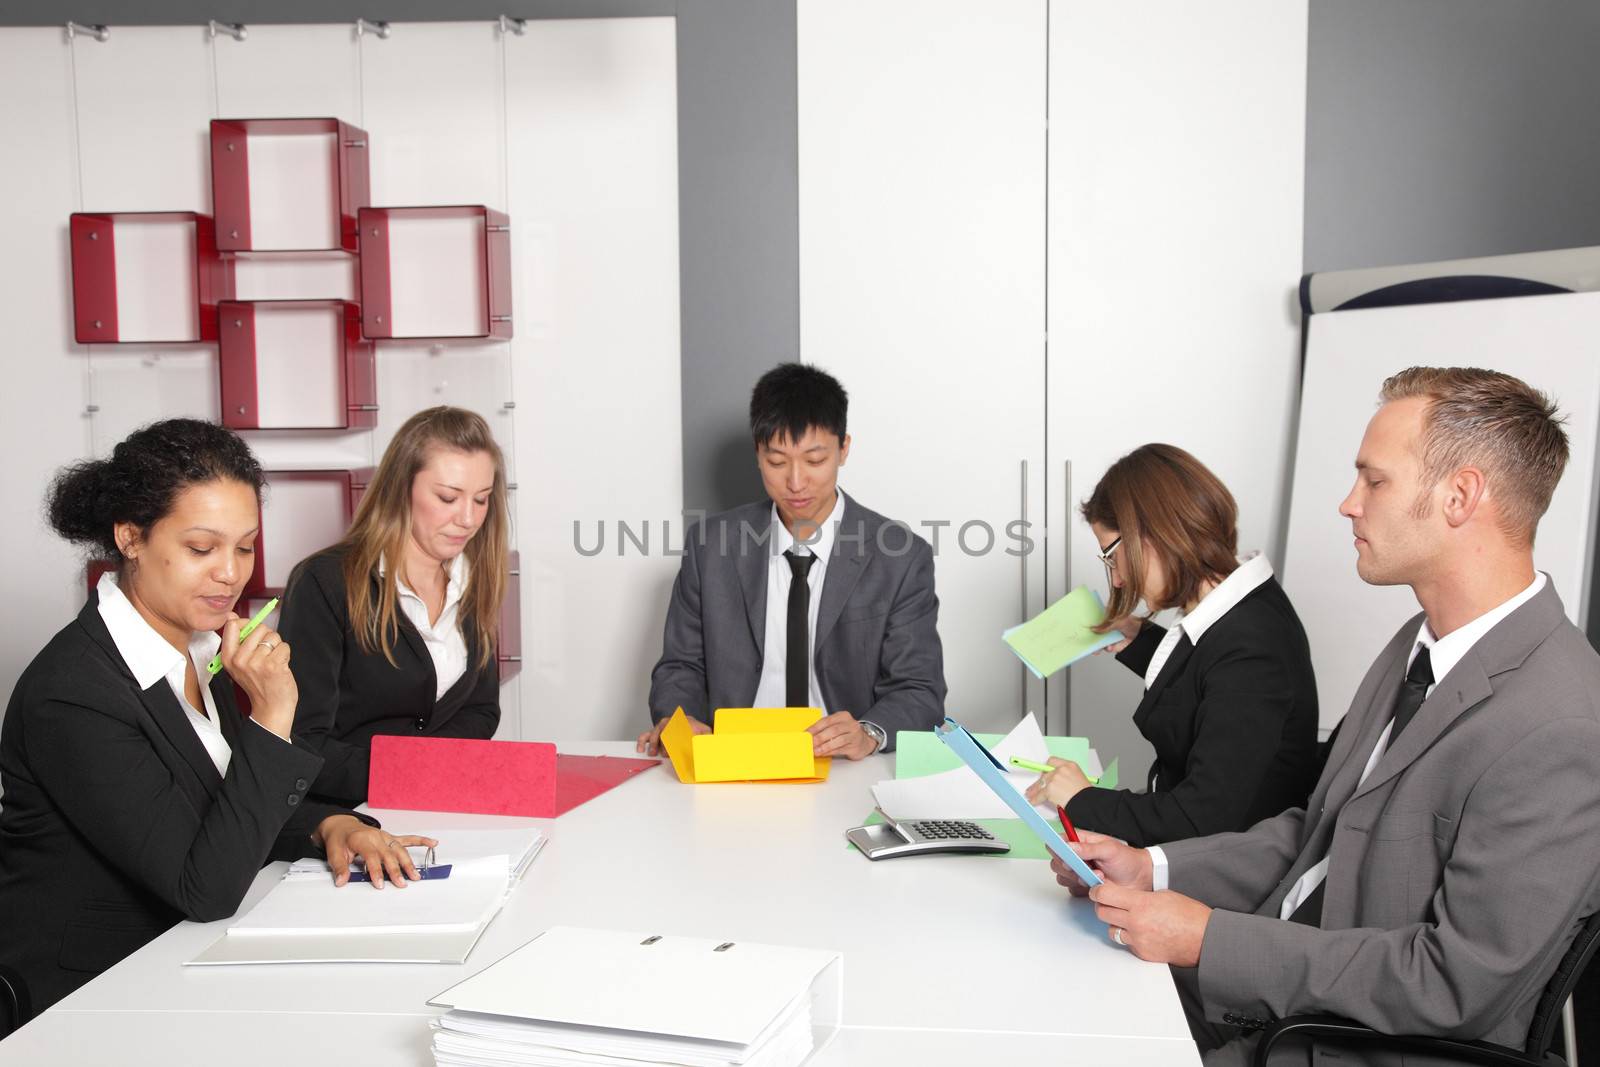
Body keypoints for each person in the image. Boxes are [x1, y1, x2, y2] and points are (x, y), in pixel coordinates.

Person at [1053, 368, 1600, 1065]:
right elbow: (1316, 837)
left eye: (1374, 481)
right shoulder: (1414, 644)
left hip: (1339, 1044)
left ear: (1460, 496)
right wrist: (1151, 867)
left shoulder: (1564, 725)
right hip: (1277, 1007)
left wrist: (1209, 939)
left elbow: (1453, 985)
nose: (1348, 504)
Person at [0, 419, 433, 1018]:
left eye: (246, 546)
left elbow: (221, 803)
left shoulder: (201, 649)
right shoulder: (73, 692)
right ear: (130, 537)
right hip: (91, 996)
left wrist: (330, 826)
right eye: (202, 548)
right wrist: (274, 715)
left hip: (182, 962)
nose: (232, 573)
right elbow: (202, 887)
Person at [638, 362, 946, 760]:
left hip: (842, 767)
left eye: (815, 461)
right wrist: (682, 720)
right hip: (734, 762)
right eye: (777, 462)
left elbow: (919, 689)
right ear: (758, 454)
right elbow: (679, 667)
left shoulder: (901, 557)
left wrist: (868, 733)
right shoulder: (710, 546)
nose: (796, 482)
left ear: (844, 449)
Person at [1023, 444, 1318, 845]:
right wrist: (1137, 640)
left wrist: (1082, 798)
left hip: (1224, 869)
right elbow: (1210, 681)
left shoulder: (1251, 646)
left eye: (1112, 556)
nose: (1118, 580)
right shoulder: (1242, 609)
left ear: (1152, 534)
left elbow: (1201, 818)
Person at [279, 407, 510, 806]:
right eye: (448, 497)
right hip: (343, 816)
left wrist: (432, 776)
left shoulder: (474, 578)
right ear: (401, 488)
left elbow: (482, 710)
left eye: (482, 499)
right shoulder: (325, 581)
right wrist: (411, 776)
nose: (469, 519)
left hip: (435, 806)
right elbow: (303, 741)